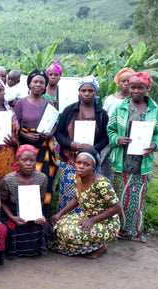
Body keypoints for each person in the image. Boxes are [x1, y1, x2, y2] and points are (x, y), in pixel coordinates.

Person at [107, 72, 158, 242]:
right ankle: (116, 230)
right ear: (128, 88)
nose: (136, 91)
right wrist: (117, 139)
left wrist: (154, 145)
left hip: (142, 162)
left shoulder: (154, 110)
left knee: (137, 198)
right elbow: (110, 130)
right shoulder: (120, 107)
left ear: (147, 88)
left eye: (141, 87)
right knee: (119, 196)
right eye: (133, 87)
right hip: (121, 160)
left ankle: (134, 232)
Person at [50, 148, 121, 259]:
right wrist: (60, 213)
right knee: (58, 226)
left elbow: (117, 207)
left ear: (94, 167)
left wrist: (92, 220)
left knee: (70, 233)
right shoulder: (77, 176)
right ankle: (86, 246)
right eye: (79, 163)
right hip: (87, 215)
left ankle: (100, 246)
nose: (81, 166)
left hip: (105, 222)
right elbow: (77, 198)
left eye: (86, 164)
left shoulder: (101, 183)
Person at [55, 76, 110, 213]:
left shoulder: (101, 114)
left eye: (90, 90)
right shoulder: (69, 110)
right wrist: (70, 144)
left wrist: (94, 149)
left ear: (96, 92)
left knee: (87, 193)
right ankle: (64, 222)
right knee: (67, 193)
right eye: (83, 90)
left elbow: (105, 137)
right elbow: (59, 132)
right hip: (69, 160)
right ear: (79, 91)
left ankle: (83, 224)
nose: (86, 93)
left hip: (90, 163)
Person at [14, 69, 57, 217]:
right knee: (26, 181)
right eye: (35, 81)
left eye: (42, 82)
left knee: (43, 180)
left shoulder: (49, 103)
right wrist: (25, 136)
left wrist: (50, 134)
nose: (39, 85)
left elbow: (54, 123)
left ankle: (41, 216)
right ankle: (24, 215)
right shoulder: (21, 103)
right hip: (26, 149)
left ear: (45, 85)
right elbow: (15, 126)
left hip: (44, 149)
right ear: (29, 84)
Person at [0, 145, 51, 258]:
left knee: (43, 226)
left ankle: (35, 250)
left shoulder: (42, 178)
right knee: (11, 228)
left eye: (32, 160)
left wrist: (38, 214)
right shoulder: (8, 179)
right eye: (24, 160)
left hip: (32, 211)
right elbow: (2, 202)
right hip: (13, 212)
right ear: (17, 161)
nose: (28, 163)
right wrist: (12, 218)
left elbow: (41, 200)